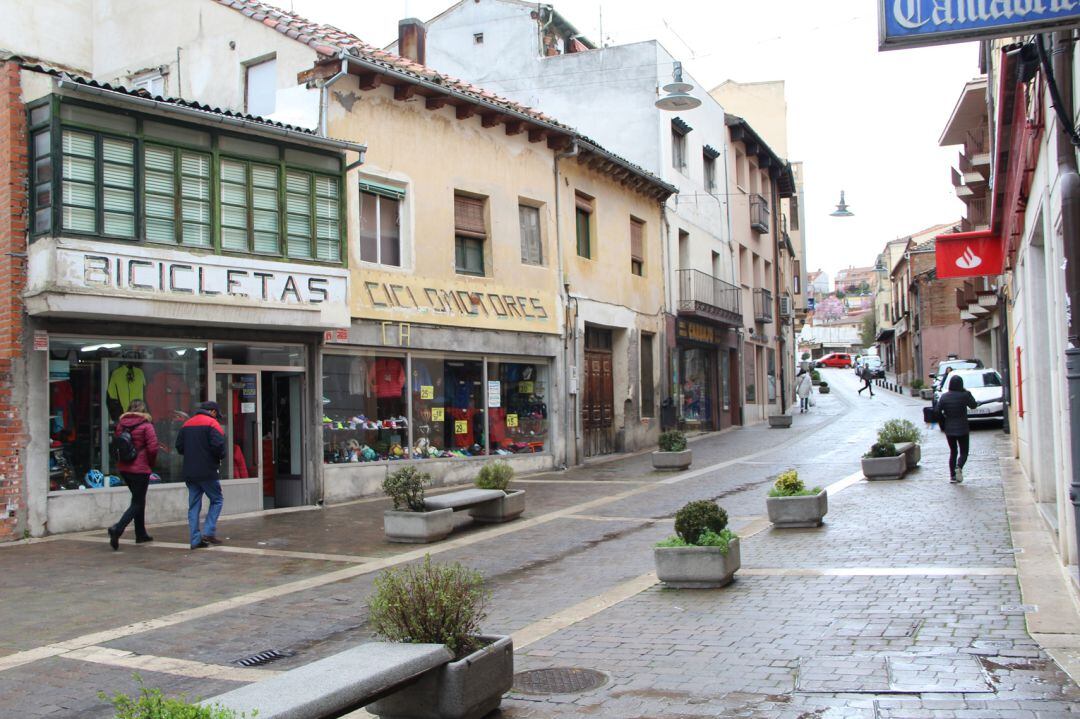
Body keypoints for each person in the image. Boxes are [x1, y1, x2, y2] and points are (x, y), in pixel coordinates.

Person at [107, 399, 158, 550]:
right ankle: (117, 528)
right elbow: (153, 447)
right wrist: (150, 463)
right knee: (137, 501)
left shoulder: (121, 425)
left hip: (125, 468)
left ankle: (141, 533)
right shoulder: (146, 425)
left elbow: (118, 446)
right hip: (140, 468)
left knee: (138, 499)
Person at [176, 400, 227, 549]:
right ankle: (209, 532)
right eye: (216, 414)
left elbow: (179, 447)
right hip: (207, 471)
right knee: (217, 499)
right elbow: (219, 447)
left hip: (190, 472)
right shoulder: (212, 424)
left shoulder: (187, 424)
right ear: (212, 412)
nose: (216, 417)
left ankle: (195, 539)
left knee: (193, 505)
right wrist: (216, 458)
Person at [936, 374, 978, 483]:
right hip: (963, 428)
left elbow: (937, 411)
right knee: (964, 452)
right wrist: (967, 393)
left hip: (949, 429)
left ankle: (952, 476)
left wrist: (944, 422)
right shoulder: (964, 395)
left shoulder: (944, 397)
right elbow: (973, 405)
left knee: (953, 452)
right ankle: (959, 466)